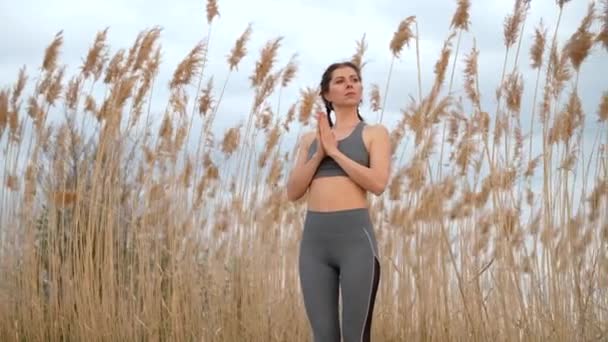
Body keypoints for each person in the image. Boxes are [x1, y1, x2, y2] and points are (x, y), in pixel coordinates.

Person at [286, 61, 392, 342]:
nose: (350, 84)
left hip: (356, 243)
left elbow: (378, 184)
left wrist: (336, 152)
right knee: (323, 336)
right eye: (341, 80)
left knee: (354, 337)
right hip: (314, 246)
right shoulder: (310, 140)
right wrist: (321, 152)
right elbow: (293, 191)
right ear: (327, 94)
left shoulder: (374, 133)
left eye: (355, 79)